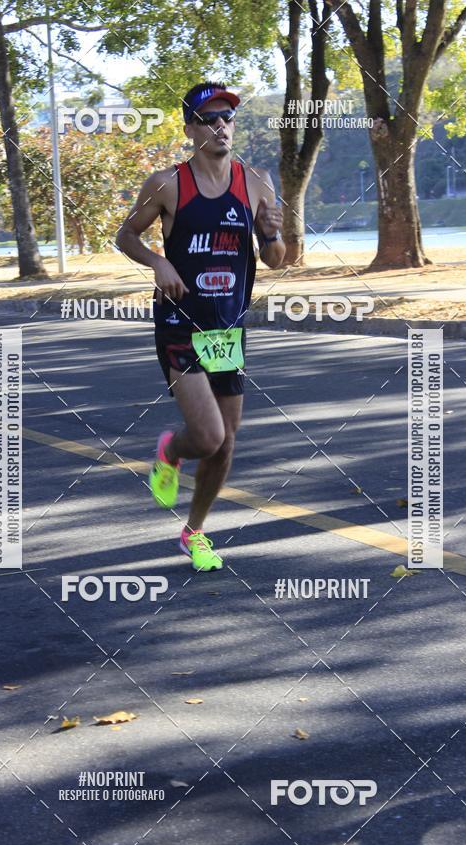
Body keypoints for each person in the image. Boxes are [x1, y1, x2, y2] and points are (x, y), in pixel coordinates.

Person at [117, 81, 285, 571]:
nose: (221, 126)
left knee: (227, 442)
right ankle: (170, 450)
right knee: (208, 437)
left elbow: (276, 261)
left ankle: (194, 533)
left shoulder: (254, 182)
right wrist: (157, 263)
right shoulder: (167, 183)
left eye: (227, 117)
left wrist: (272, 230)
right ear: (191, 128)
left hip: (226, 329)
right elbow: (126, 234)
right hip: (180, 325)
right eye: (210, 118)